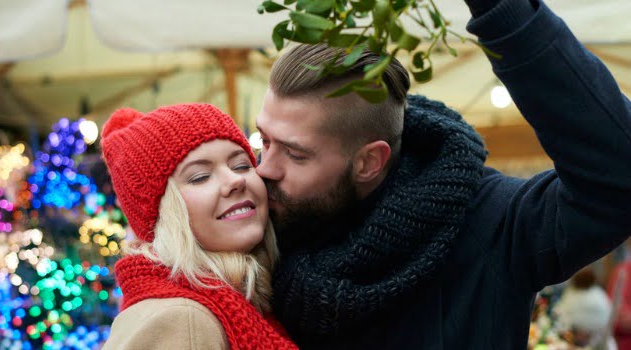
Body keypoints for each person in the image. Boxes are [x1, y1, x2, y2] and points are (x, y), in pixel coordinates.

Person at [254, 0, 631, 348]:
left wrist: (504, 10)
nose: (264, 167)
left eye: (295, 153)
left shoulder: (491, 224)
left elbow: (617, 180)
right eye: (264, 139)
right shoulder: (252, 225)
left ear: (369, 162)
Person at [100, 104, 297, 349]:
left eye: (242, 165)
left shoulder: (249, 296)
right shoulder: (181, 320)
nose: (235, 180)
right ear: (161, 216)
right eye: (200, 177)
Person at [554, 268, 617, 349]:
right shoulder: (599, 295)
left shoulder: (573, 294)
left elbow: (561, 315)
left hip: (594, 339)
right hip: (590, 337)